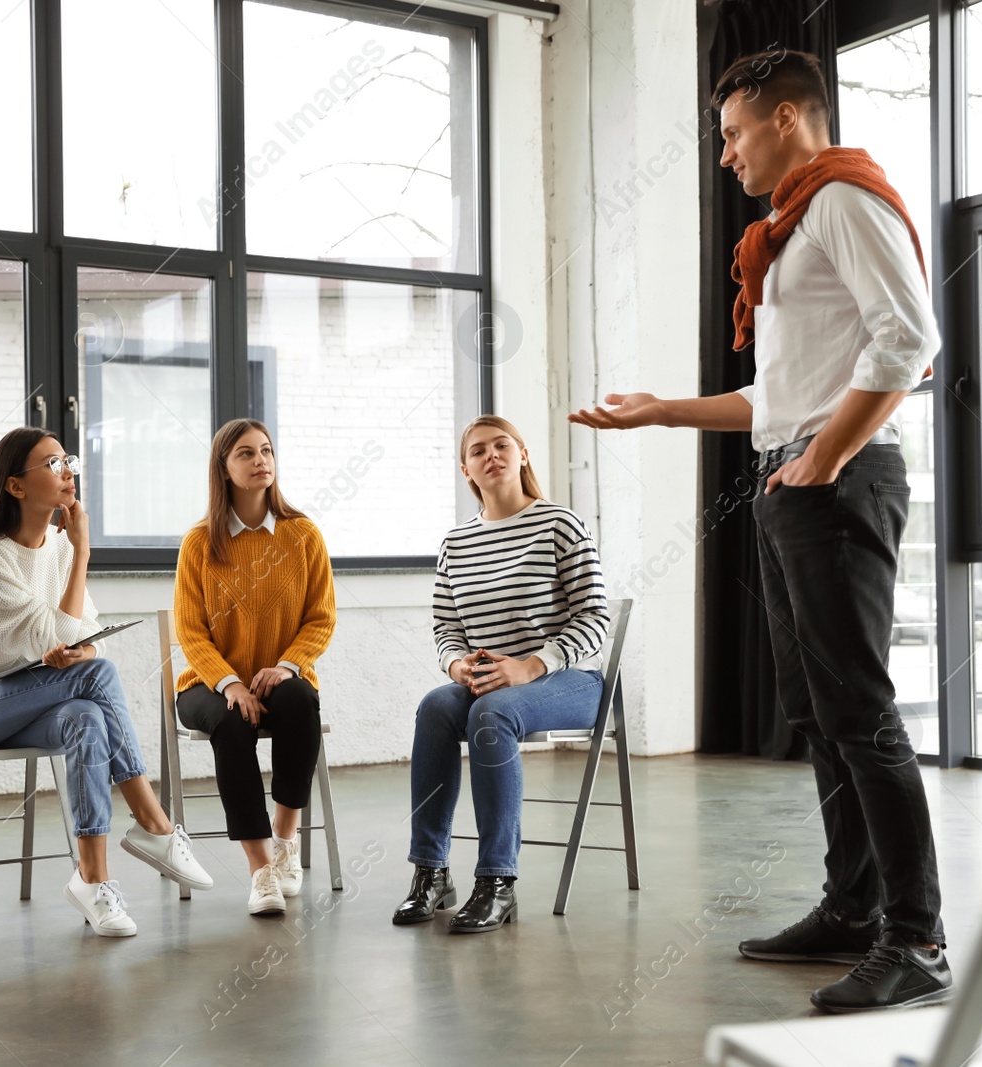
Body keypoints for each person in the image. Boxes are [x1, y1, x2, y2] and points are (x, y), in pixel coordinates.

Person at [569, 50, 948, 1011]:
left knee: (860, 712)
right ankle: (853, 908)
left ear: (788, 117)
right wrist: (663, 411)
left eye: (734, 133)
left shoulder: (844, 201)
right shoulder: (794, 227)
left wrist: (824, 453)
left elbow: (910, 339)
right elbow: (773, 399)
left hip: (837, 479)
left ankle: (918, 939)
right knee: (819, 715)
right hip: (798, 476)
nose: (727, 154)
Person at [0, 428, 212, 938]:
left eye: (66, 460)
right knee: (94, 676)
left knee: (86, 716)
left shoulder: (55, 547)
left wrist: (75, 628)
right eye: (51, 464)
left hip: (23, 700)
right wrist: (84, 554)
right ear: (15, 487)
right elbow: (62, 638)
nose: (68, 471)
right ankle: (154, 823)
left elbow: (85, 639)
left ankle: (93, 878)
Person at [393, 416, 610, 934]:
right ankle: (431, 871)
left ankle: (497, 882)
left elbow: (596, 617)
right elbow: (446, 625)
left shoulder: (559, 523)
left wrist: (531, 665)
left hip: (570, 679)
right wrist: (456, 664)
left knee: (491, 713)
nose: (491, 455)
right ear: (465, 468)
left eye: (502, 445)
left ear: (523, 454)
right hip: (491, 682)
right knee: (437, 705)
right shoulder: (457, 543)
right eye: (478, 450)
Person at [172, 419, 335, 916]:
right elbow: (191, 632)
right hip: (207, 684)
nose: (261, 460)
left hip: (280, 677)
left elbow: (321, 618)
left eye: (266, 451)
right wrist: (231, 685)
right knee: (231, 719)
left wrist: (287, 666)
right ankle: (260, 869)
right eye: (245, 453)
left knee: (300, 699)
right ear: (223, 468)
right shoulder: (200, 543)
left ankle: (286, 844)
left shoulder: (302, 535)